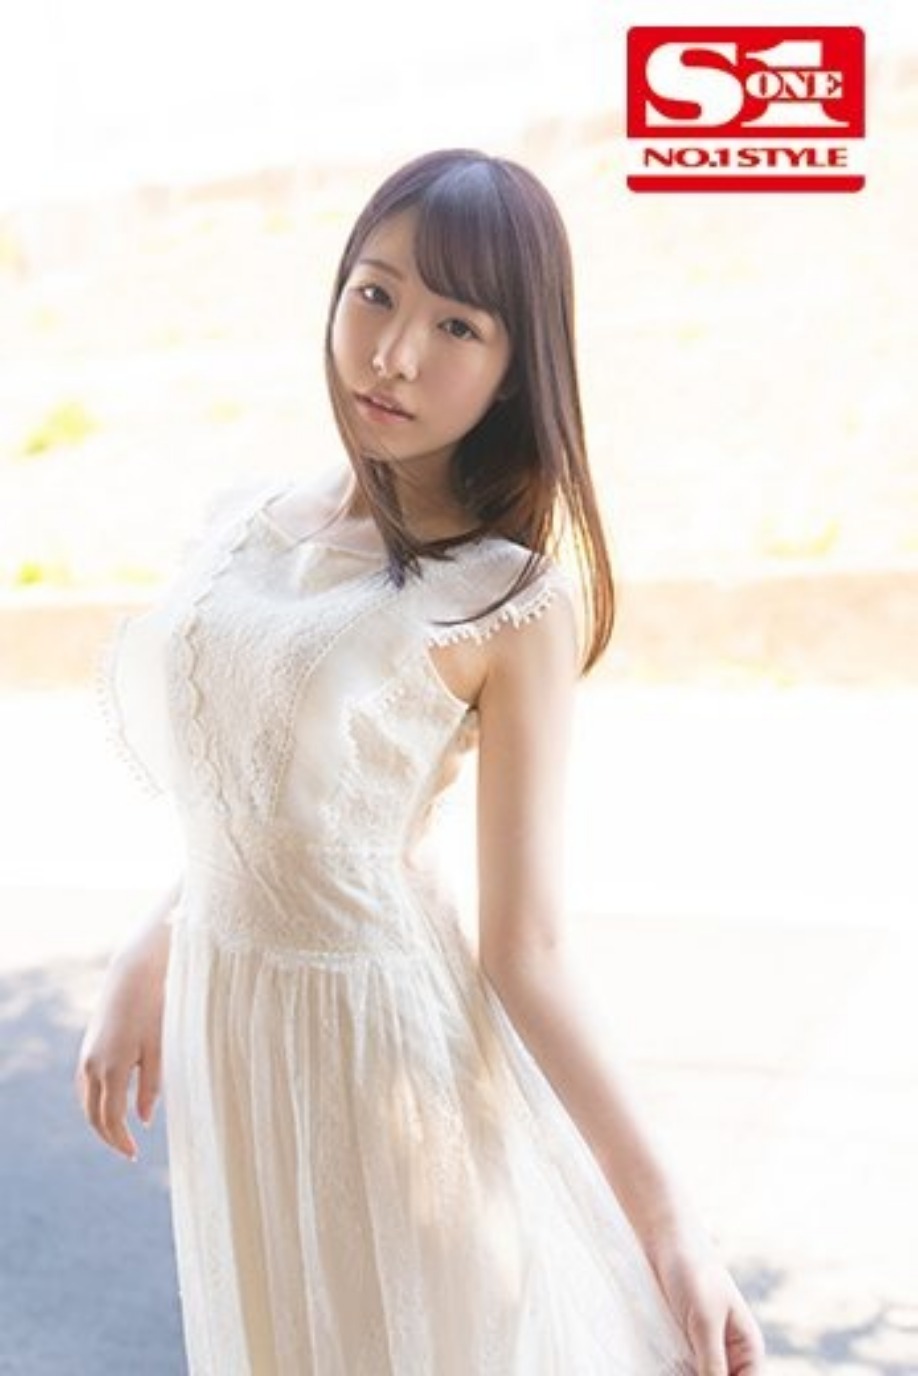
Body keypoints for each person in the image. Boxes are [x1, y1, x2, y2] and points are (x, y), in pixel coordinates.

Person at [75, 148, 766, 1375]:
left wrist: (671, 1227)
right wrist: (156, 938)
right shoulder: (242, 521)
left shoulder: (507, 597)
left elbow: (527, 947)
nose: (393, 354)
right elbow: (268, 798)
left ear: (515, 368)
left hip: (374, 1053)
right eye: (376, 293)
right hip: (236, 1034)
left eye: (457, 325)